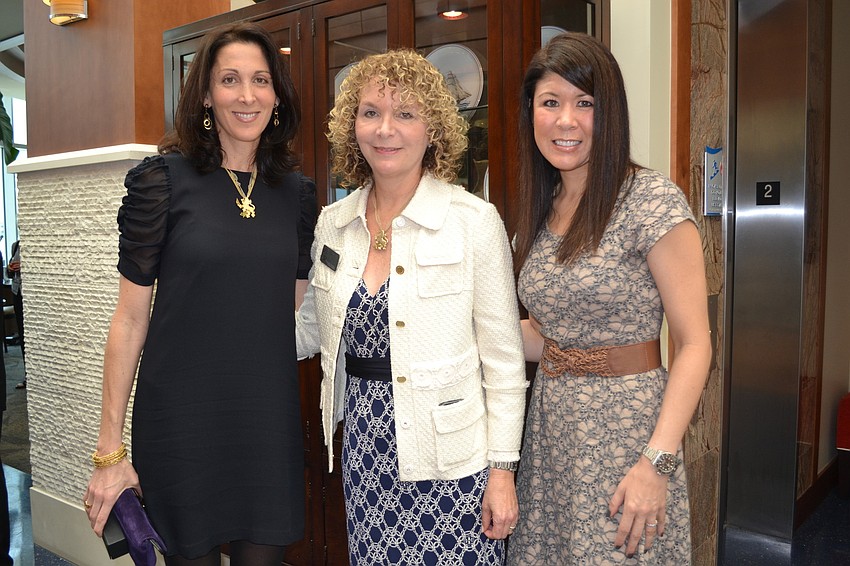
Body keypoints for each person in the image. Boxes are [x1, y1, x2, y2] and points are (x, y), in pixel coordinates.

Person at [84, 21, 316, 565]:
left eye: (261, 80)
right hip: (181, 424)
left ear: (276, 95)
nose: (247, 94)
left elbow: (297, 314)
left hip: (265, 421)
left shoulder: (298, 197)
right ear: (206, 96)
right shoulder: (162, 180)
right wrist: (109, 450)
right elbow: (130, 319)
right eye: (229, 79)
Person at [295, 49, 527, 565]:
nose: (385, 129)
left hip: (452, 463)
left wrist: (503, 471)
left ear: (433, 129)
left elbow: (504, 362)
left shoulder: (472, 221)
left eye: (406, 114)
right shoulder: (333, 224)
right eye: (371, 112)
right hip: (364, 452)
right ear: (351, 124)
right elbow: (308, 331)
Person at [508, 32, 711, 565]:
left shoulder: (650, 200)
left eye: (584, 104)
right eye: (550, 102)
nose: (565, 121)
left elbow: (694, 344)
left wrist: (657, 463)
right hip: (552, 437)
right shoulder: (541, 207)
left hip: (628, 438)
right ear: (531, 112)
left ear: (610, 113)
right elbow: (548, 332)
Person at [6, 241, 24, 389]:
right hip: (16, 292)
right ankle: (27, 374)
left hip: (29, 293)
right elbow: (9, 274)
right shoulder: (15, 245)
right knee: (23, 335)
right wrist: (10, 269)